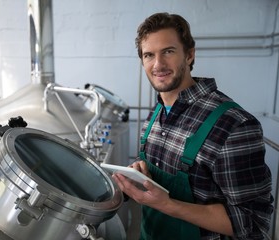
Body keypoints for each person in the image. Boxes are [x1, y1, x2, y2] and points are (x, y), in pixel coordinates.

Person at [112, 12, 273, 239]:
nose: (158, 64)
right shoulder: (156, 112)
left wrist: (167, 204)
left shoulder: (234, 125)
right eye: (149, 55)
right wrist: (139, 175)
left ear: (189, 55)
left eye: (168, 51)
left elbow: (254, 223)